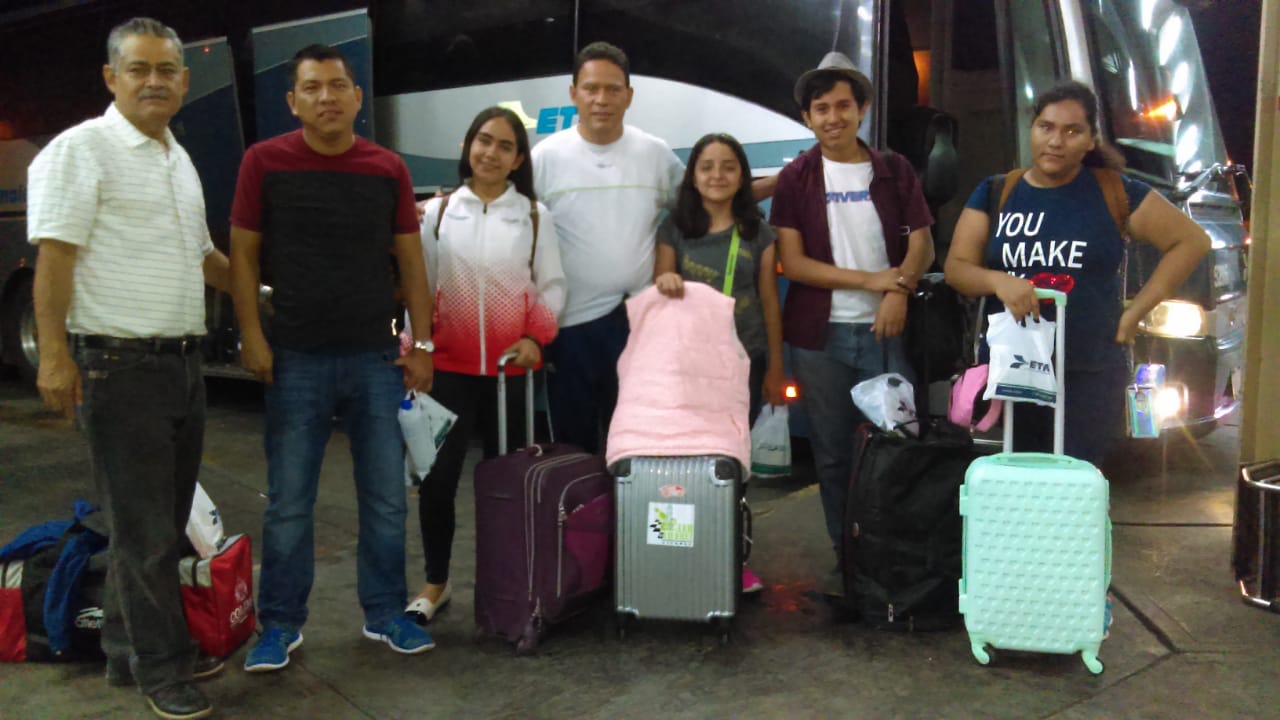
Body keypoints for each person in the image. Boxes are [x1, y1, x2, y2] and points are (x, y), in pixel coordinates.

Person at [27, 17, 230, 720]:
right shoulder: (81, 149)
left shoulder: (178, 157)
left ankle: (125, 649)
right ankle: (161, 668)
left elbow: (204, 257)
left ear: (185, 80)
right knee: (145, 533)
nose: (154, 81)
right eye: (138, 69)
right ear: (111, 78)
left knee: (159, 525)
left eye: (166, 70)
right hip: (119, 366)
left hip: (181, 364)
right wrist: (54, 357)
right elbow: (55, 257)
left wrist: (264, 295)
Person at [229, 43, 436, 672]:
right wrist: (252, 335)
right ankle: (280, 624)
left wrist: (423, 344)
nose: (327, 97)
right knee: (290, 502)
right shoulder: (263, 162)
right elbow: (242, 256)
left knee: (386, 499)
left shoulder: (386, 168)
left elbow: (411, 261)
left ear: (356, 98)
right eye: (313, 87)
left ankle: (386, 613)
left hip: (376, 358)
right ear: (293, 101)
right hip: (294, 358)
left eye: (338, 86)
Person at [943, 80, 1210, 464]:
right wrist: (999, 281)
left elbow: (1192, 241)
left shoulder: (1115, 191)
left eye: (1072, 131)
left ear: (1090, 140)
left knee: (1076, 482)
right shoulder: (998, 191)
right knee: (1019, 481)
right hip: (1015, 370)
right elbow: (957, 269)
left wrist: (1135, 313)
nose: (1056, 141)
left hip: (1090, 371)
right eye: (1046, 127)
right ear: (1032, 129)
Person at [769, 52, 935, 596]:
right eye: (821, 108)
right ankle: (850, 560)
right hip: (820, 339)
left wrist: (899, 290)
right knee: (835, 455)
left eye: (843, 105)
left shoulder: (894, 170)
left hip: (886, 333)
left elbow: (922, 244)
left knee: (899, 446)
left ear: (861, 109)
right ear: (807, 117)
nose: (833, 117)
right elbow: (793, 264)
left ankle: (899, 559)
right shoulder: (796, 178)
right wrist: (873, 282)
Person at [404, 106, 566, 622]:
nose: (491, 153)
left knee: (509, 487)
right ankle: (436, 583)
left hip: (508, 375)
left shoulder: (535, 217)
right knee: (437, 481)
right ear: (467, 146)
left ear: (518, 159)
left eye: (504, 146)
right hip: (446, 372)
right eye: (483, 140)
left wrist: (535, 338)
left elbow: (552, 286)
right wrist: (416, 349)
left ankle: (510, 585)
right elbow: (421, 288)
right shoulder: (436, 215)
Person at [531, 41, 685, 456]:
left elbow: (699, 209)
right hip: (569, 327)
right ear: (573, 94)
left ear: (629, 96)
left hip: (637, 322)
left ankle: (627, 502)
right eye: (591, 88)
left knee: (636, 446)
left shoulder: (655, 154)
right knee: (573, 449)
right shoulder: (545, 158)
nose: (602, 99)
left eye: (613, 89)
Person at [653, 132, 784, 594]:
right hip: (686, 367)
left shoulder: (758, 232)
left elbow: (769, 300)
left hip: (743, 364)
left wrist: (776, 368)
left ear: (743, 176)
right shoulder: (674, 228)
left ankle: (731, 559)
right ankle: (678, 558)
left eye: (729, 166)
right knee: (680, 465)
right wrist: (666, 280)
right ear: (693, 175)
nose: (717, 175)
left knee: (730, 463)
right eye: (706, 166)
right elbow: (660, 281)